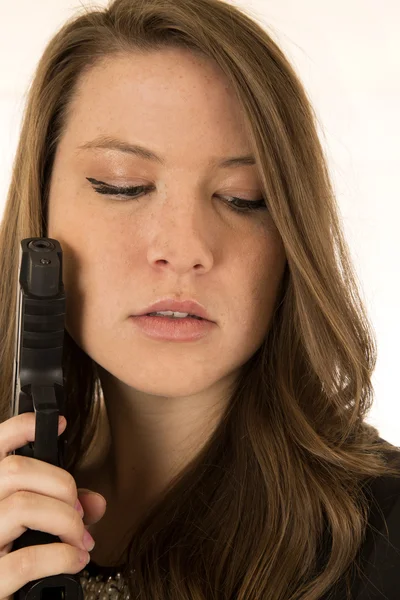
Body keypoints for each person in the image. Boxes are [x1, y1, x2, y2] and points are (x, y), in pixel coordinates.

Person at [0, 0, 399, 598]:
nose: (185, 249)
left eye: (244, 198)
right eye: (123, 186)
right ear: (41, 219)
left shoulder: (383, 539)